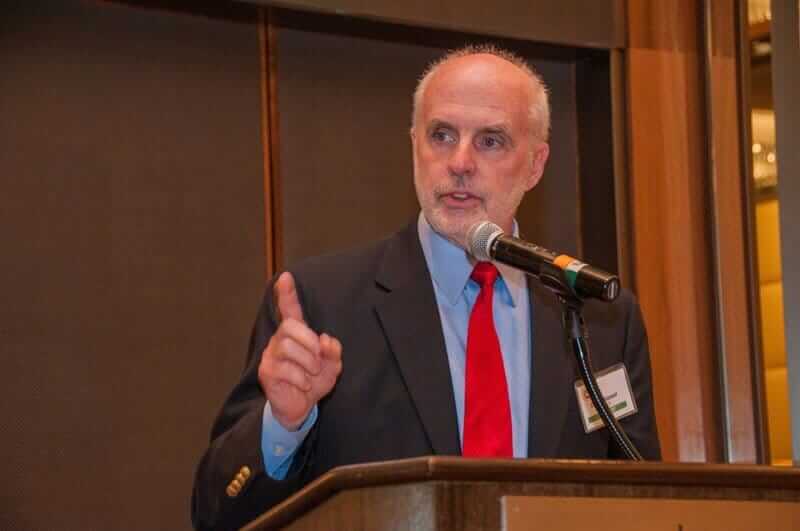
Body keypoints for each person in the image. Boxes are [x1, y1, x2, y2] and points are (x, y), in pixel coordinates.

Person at [191, 44, 660, 531]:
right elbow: (215, 514)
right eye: (442, 135)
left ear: (536, 164)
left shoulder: (602, 318)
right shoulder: (320, 304)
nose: (460, 161)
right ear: (415, 145)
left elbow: (648, 504)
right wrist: (282, 426)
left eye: (491, 141)